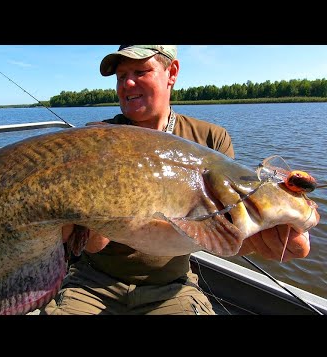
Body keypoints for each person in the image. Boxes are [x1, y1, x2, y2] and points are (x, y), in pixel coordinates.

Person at [40, 45, 311, 315]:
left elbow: (224, 232)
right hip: (92, 284)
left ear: (172, 72)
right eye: (121, 76)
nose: (128, 83)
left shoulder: (211, 140)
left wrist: (271, 226)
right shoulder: (96, 141)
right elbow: (92, 245)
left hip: (171, 287)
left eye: (140, 71)